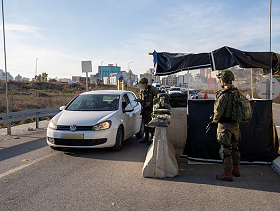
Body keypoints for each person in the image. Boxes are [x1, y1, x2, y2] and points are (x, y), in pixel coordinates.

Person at [212, 70, 241, 182]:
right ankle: (236, 169)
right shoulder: (237, 92)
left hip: (225, 126)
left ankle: (227, 174)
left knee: (226, 149)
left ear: (223, 80)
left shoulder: (224, 95)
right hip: (235, 125)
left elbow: (218, 112)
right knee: (235, 147)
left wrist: (215, 121)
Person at [135, 77, 158, 144]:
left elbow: (158, 99)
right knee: (145, 125)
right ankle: (146, 138)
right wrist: (139, 100)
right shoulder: (142, 91)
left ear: (145, 84)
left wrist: (151, 103)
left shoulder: (153, 90)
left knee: (152, 125)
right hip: (145, 110)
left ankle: (152, 139)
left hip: (152, 110)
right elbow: (143, 99)